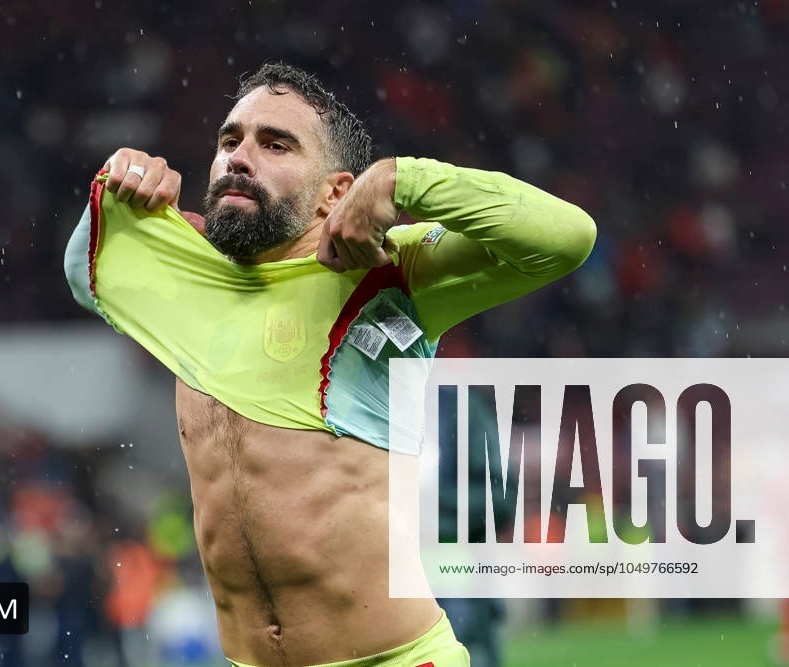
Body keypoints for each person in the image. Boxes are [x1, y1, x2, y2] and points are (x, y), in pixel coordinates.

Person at [65, 63, 596, 666]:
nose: (240, 158)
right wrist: (118, 181)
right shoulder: (188, 271)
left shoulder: (388, 273)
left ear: (336, 193)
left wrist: (402, 179)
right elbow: (84, 274)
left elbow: (567, 237)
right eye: (230, 140)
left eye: (276, 145)